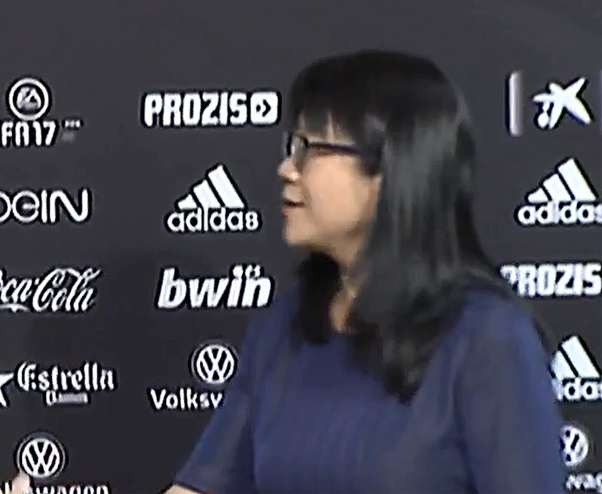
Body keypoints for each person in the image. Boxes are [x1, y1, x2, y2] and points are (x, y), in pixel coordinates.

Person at [164, 50, 565, 493]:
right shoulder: (285, 327)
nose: (287, 170)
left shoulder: (486, 339)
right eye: (291, 147)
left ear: (392, 171)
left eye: (311, 149)